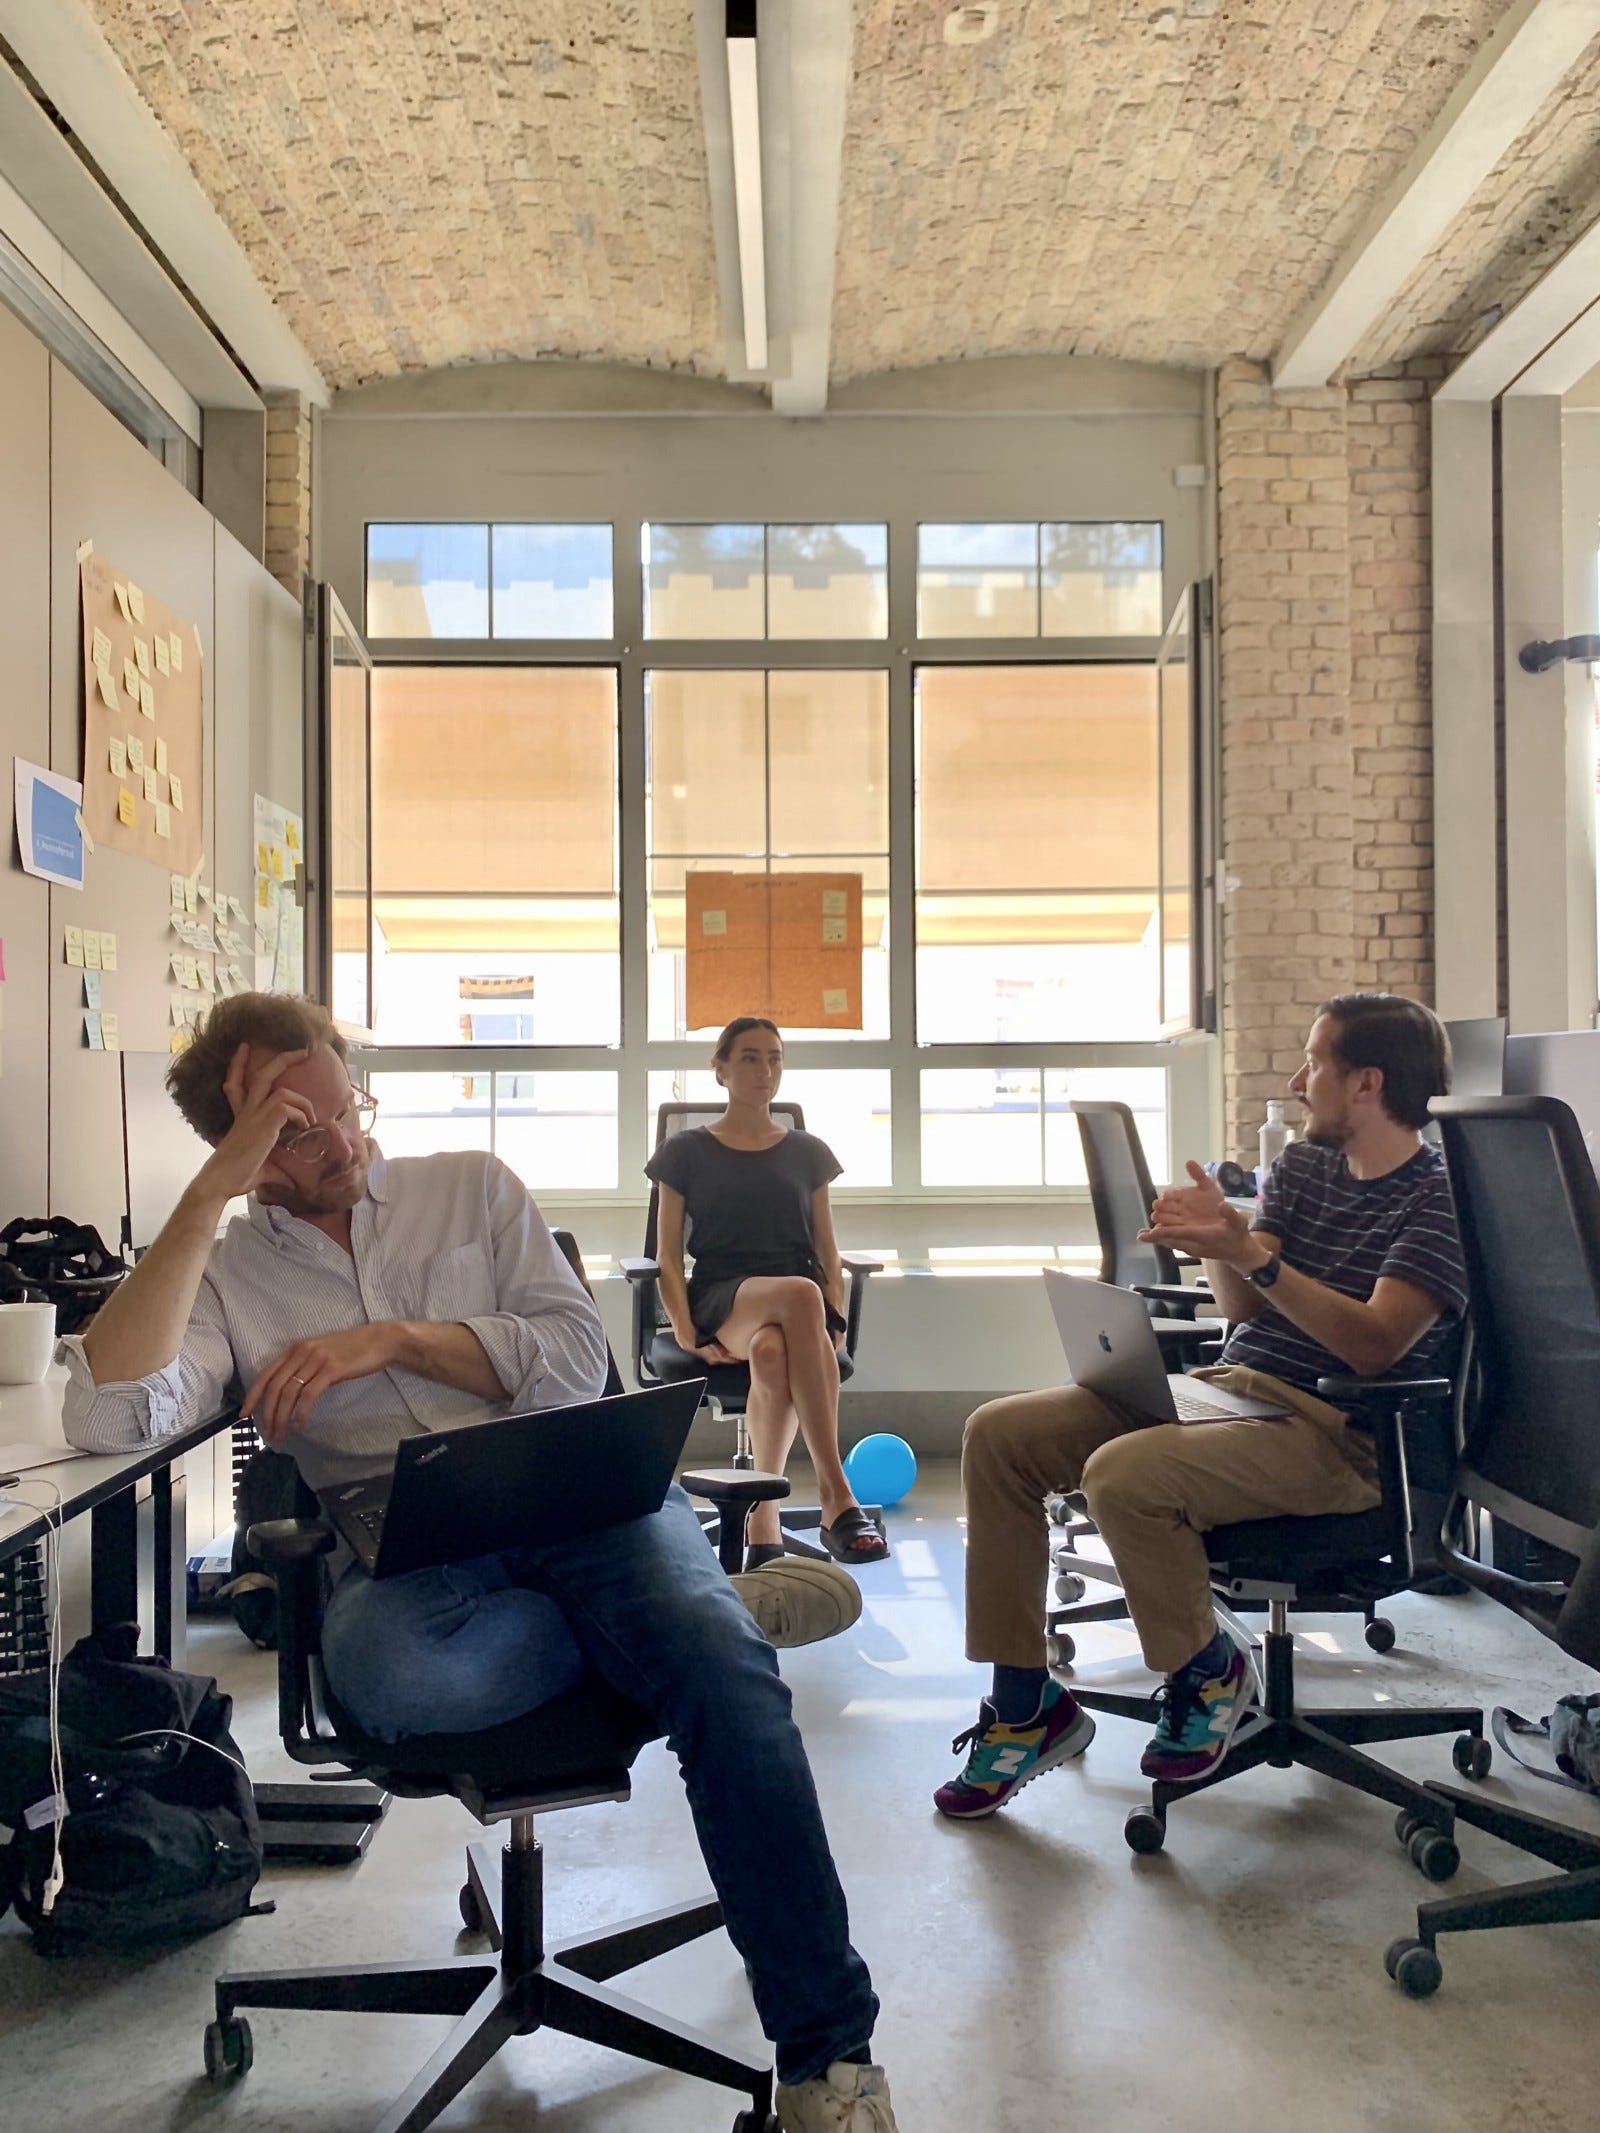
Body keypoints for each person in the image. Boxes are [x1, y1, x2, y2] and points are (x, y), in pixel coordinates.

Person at [60, 993, 899, 2133]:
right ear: (240, 1145)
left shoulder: (472, 1186)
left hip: (583, 1491)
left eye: (344, 1105)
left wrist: (396, 1342)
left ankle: (828, 2062)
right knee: (402, 1680)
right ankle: (705, 1610)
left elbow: (575, 1359)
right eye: (294, 1131)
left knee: (728, 1685)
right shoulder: (227, 1273)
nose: (341, 1142)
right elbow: (107, 1416)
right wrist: (208, 1196)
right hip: (410, 1551)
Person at [936, 993, 1468, 1822]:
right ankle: (1025, 1704)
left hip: (1339, 1432)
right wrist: (1220, 1240)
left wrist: (1254, 1256)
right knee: (999, 1434)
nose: (1297, 1082)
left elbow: (1375, 1344)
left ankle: (1206, 1670)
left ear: (1367, 1082)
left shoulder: (1437, 1198)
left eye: (1314, 1063)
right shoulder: (1304, 1167)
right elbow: (1246, 1307)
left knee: (1123, 1474)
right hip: (1234, 1389)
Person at [647, 1016, 889, 1571]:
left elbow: (827, 1251)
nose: (765, 1070)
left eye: (775, 1058)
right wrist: (684, 1329)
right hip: (722, 1296)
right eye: (750, 1058)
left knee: (774, 1350)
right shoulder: (684, 1151)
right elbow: (667, 1256)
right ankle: (835, 1493)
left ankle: (762, 1519)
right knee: (801, 1296)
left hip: (793, 1304)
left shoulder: (808, 1151)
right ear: (720, 1070)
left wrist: (834, 1319)